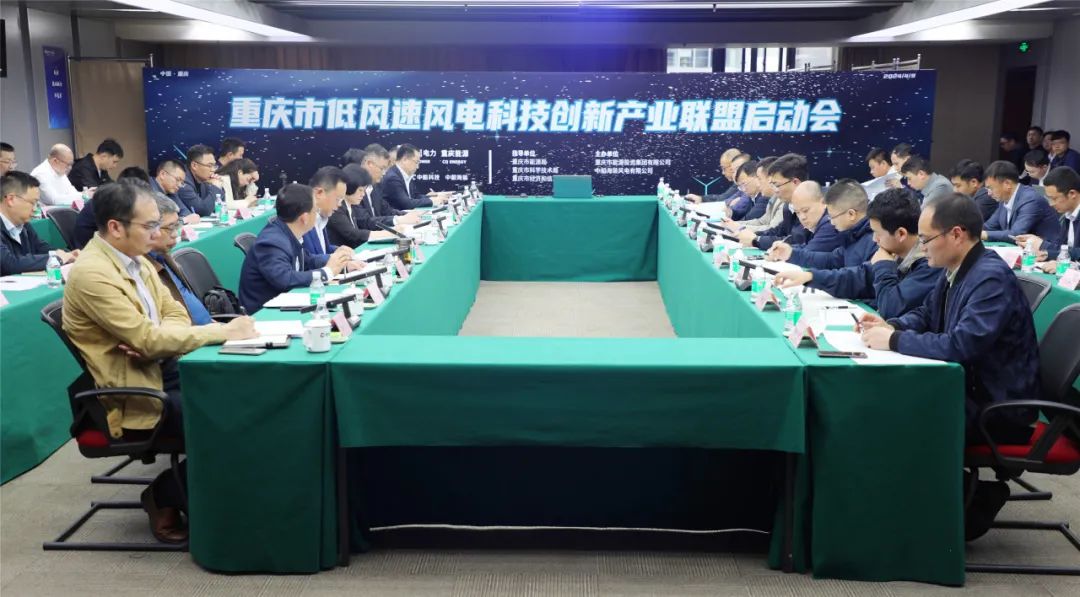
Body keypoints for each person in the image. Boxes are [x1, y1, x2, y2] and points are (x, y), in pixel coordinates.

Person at [62, 180, 256, 543]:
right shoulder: (92, 273)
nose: (157, 234)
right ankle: (165, 494)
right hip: (138, 389)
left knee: (252, 396)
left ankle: (218, 496)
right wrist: (220, 332)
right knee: (232, 417)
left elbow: (174, 314)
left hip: (166, 365)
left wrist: (158, 339)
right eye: (149, 225)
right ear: (115, 227)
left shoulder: (138, 259)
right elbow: (147, 341)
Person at [857, 192, 1039, 540]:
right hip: (971, 389)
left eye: (926, 239)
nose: (922, 247)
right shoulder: (956, 267)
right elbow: (927, 314)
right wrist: (891, 325)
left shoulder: (989, 278)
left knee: (894, 413)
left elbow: (960, 345)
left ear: (956, 234)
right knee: (885, 404)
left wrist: (893, 341)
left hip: (998, 407)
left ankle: (953, 509)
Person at [773, 188, 941, 319]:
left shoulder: (930, 263)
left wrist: (883, 267)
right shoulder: (893, 252)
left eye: (878, 234)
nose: (874, 239)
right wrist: (810, 276)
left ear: (901, 234)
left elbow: (891, 308)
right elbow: (859, 276)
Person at [238, 183, 355, 313]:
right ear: (304, 218)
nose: (317, 215)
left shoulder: (287, 231)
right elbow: (285, 279)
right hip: (264, 315)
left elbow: (308, 260)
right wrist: (326, 272)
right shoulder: (272, 242)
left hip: (285, 304)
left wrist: (339, 262)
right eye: (315, 211)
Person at [768, 179, 874, 269]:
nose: (831, 222)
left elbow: (854, 278)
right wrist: (790, 253)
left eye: (833, 217)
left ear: (851, 214)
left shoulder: (873, 240)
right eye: (798, 212)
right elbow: (832, 260)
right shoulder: (853, 235)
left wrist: (812, 277)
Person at [146, 193, 213, 325]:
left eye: (177, 225)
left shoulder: (164, 256)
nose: (175, 234)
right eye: (170, 227)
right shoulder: (142, 269)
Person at [1, 171, 78, 274]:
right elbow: (9, 264)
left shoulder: (24, 225)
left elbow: (41, 248)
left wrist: (69, 255)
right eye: (33, 203)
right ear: (11, 200)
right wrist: (56, 258)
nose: (36, 209)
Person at [1014, 166, 1080, 272]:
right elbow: (1063, 248)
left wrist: (1068, 265)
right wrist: (1046, 253)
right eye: (1049, 198)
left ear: (1072, 194)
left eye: (1054, 198)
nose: (1051, 204)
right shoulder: (1068, 215)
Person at [737, 153, 807, 249]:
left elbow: (795, 240)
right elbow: (776, 232)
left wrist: (756, 240)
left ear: (795, 182)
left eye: (776, 185)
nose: (775, 190)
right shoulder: (788, 206)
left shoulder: (809, 208)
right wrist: (752, 236)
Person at [981, 160, 1060, 243]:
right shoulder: (1004, 199)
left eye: (991, 188)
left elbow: (1016, 235)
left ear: (1007, 184)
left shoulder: (1030, 199)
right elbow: (988, 227)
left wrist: (984, 234)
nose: (989, 193)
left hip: (1047, 249)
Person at [327, 164, 399, 247]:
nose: (363, 194)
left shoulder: (352, 204)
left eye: (364, 190)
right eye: (360, 190)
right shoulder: (337, 207)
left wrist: (391, 230)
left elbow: (367, 222)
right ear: (350, 186)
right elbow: (352, 234)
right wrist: (386, 234)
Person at [360, 148, 420, 227]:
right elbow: (365, 221)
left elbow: (387, 210)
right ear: (369, 164)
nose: (384, 173)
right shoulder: (355, 187)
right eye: (382, 168)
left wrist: (408, 215)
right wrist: (398, 220)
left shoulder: (375, 187)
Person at [379, 144, 449, 210]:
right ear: (405, 160)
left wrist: (434, 197)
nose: (417, 167)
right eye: (416, 162)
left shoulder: (405, 174)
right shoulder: (392, 178)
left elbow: (415, 196)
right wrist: (432, 201)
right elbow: (407, 204)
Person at [724, 156, 784, 233]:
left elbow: (771, 230)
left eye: (759, 179)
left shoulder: (783, 200)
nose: (758, 184)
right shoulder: (773, 198)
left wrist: (738, 227)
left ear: (771, 178)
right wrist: (734, 225)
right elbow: (761, 222)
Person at [176, 144, 224, 217]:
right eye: (209, 165)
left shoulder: (204, 179)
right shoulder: (182, 181)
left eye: (214, 165)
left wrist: (218, 186)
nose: (213, 170)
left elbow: (220, 205)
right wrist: (216, 187)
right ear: (194, 165)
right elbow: (202, 211)